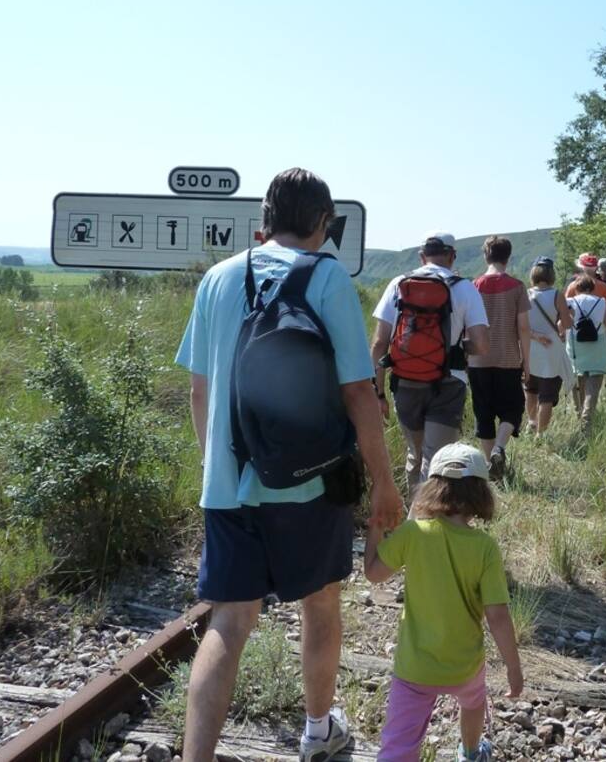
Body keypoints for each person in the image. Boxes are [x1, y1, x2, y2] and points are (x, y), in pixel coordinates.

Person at [175, 168, 405, 762]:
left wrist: (217, 471)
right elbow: (358, 393)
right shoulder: (327, 278)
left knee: (228, 621)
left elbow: (199, 392)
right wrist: (384, 483)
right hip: (311, 485)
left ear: (265, 218)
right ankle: (318, 730)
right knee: (321, 602)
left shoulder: (218, 279)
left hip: (227, 489)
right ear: (323, 224)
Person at [365, 443, 524, 762]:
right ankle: (469, 752)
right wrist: (513, 666)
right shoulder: (485, 548)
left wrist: (375, 530)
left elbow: (373, 574)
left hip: (415, 668)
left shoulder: (412, 533)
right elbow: (498, 616)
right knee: (474, 702)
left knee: (398, 744)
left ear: (432, 488)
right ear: (481, 494)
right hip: (463, 666)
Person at [372, 232, 489, 497]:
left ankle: (412, 521)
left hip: (404, 382)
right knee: (435, 460)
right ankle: (423, 523)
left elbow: (379, 344)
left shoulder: (399, 284)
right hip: (448, 383)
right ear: (452, 256)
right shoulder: (464, 288)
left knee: (415, 454)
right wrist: (456, 350)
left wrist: (377, 392)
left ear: (422, 256)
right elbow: (482, 345)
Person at [468, 236, 531, 480]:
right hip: (508, 359)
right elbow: (524, 328)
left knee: (483, 413)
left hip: (477, 360)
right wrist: (527, 362)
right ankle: (499, 447)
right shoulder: (517, 287)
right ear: (508, 256)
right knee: (513, 408)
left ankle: (490, 467)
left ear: (486, 256)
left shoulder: (473, 286)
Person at [524, 257, 573, 438]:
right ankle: (541, 434)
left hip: (530, 347)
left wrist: (535, 336)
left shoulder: (525, 294)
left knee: (531, 389)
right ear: (551, 274)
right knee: (547, 395)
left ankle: (531, 422)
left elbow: (519, 326)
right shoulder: (557, 295)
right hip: (551, 348)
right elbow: (567, 324)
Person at [566, 275, 606, 432]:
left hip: (575, 348)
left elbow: (563, 324)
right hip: (597, 348)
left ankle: (579, 414)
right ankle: (587, 419)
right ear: (592, 287)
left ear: (576, 288)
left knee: (578, 382)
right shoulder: (602, 302)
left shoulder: (570, 302)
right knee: (593, 385)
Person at [564, 253, 606, 337]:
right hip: (599, 332)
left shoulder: (572, 286)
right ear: (596, 268)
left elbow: (564, 310)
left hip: (576, 333)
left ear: (581, 268)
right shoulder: (604, 287)